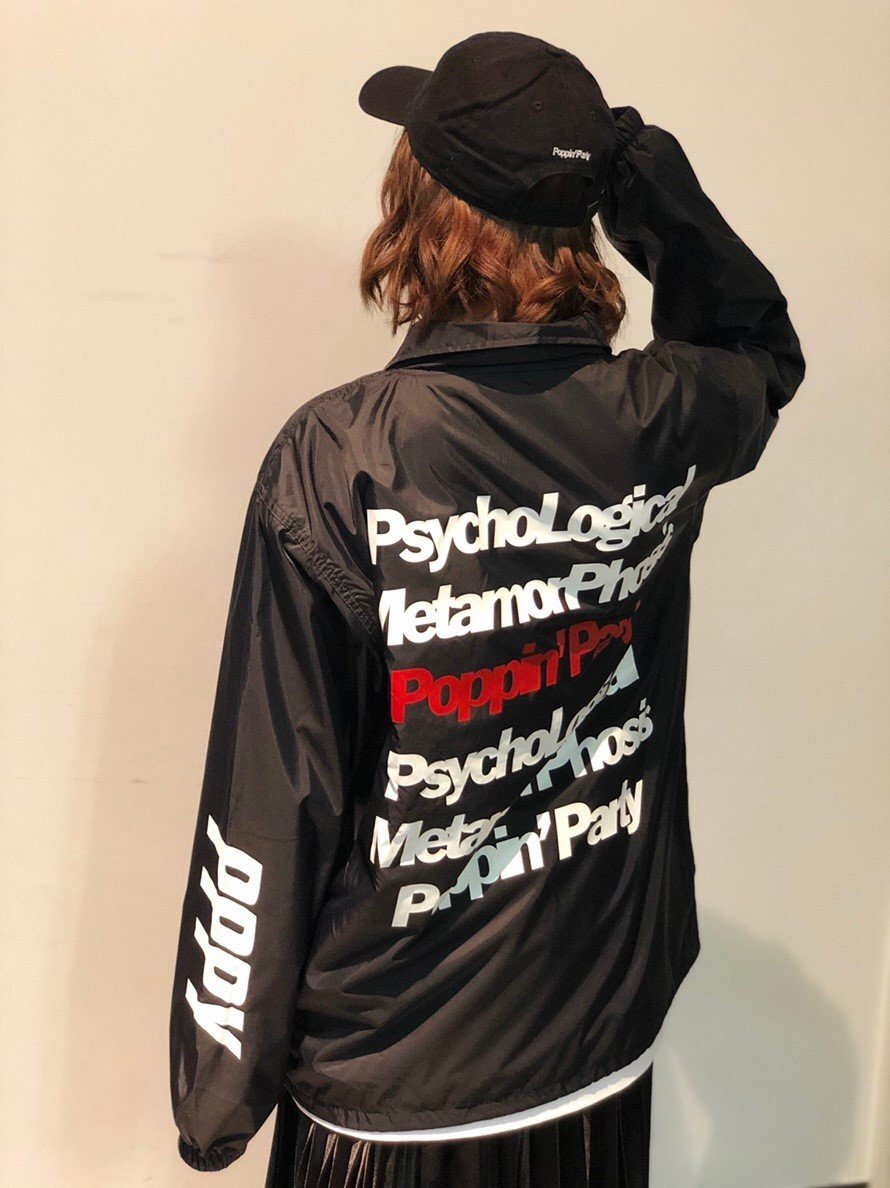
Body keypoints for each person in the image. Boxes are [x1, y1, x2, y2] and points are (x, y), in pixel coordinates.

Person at [168, 30, 805, 1188]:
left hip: (395, 1096)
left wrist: (218, 1092)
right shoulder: (658, 416)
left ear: (424, 211)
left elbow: (270, 799)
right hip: (597, 1055)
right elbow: (755, 347)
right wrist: (647, 191)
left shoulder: (339, 456)